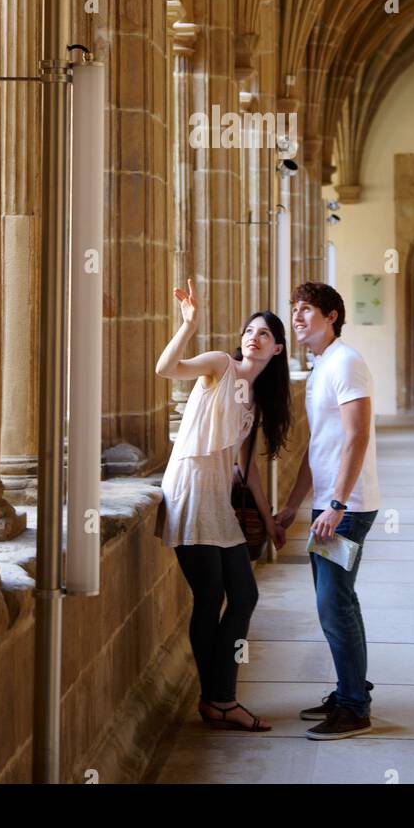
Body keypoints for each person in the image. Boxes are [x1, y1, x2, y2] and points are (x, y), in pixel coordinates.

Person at [155, 278, 292, 732]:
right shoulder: (220, 366)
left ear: (276, 351)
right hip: (191, 487)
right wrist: (189, 325)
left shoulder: (255, 401)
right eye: (250, 330)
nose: (254, 336)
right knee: (210, 596)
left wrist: (268, 516)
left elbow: (245, 467)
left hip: (218, 496)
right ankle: (220, 699)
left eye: (265, 334)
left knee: (245, 595)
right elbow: (166, 369)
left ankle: (218, 696)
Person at [275, 282, 381, 739]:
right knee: (339, 603)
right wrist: (291, 507)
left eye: (306, 310)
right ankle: (350, 691)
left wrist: (337, 504)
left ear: (332, 315)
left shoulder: (347, 363)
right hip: (330, 505)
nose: (297, 317)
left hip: (348, 508)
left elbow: (357, 438)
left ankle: (355, 707)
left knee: (333, 605)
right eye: (294, 310)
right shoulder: (321, 366)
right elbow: (316, 448)